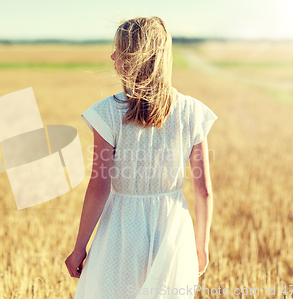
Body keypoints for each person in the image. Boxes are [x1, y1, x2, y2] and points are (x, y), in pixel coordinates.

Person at [65, 16, 217, 299]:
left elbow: (99, 186)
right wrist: (201, 245)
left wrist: (79, 248)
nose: (112, 55)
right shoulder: (192, 112)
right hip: (174, 231)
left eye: (119, 50)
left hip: (122, 232)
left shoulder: (107, 112)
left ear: (136, 57)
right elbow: (204, 190)